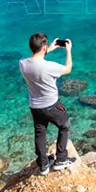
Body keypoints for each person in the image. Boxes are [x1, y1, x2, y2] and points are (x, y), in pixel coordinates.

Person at [19, 33, 75, 174]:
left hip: (35, 106)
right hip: (51, 105)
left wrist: (49, 48)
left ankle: (43, 165)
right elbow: (68, 68)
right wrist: (68, 51)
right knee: (65, 126)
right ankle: (61, 159)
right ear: (43, 47)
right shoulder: (50, 67)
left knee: (40, 133)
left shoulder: (23, 64)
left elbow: (37, 59)